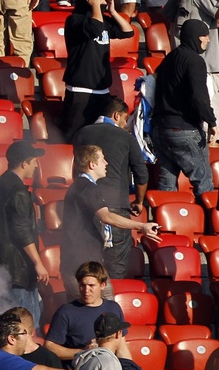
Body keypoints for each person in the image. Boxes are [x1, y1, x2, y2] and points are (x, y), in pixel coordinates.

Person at [70, 98, 149, 278]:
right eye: (125, 119)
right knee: (117, 269)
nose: (125, 124)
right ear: (116, 115)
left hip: (85, 208)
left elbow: (77, 168)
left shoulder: (81, 133)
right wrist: (139, 201)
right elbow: (141, 173)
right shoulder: (126, 138)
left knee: (87, 267)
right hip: (116, 208)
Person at [61, 146, 161, 288]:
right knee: (100, 304)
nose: (106, 163)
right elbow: (106, 217)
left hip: (80, 260)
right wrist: (141, 226)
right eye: (102, 159)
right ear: (92, 164)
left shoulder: (80, 186)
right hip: (82, 263)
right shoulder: (88, 188)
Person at [0, 141, 47, 323]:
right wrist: (38, 263)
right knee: (22, 328)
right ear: (24, 163)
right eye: (34, 161)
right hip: (17, 274)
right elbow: (21, 230)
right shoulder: (19, 192)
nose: (36, 165)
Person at [155, 18, 217, 197]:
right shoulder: (195, 61)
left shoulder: (169, 58)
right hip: (185, 130)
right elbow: (199, 97)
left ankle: (164, 223)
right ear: (196, 38)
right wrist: (211, 122)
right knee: (203, 183)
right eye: (205, 36)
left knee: (166, 185)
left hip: (161, 129)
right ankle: (207, 224)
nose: (208, 40)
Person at [64, 0, 137, 135]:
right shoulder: (75, 20)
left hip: (102, 90)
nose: (102, 0)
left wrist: (112, 11)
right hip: (81, 89)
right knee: (76, 135)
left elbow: (128, 32)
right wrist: (96, 6)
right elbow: (95, 28)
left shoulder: (103, 20)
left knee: (98, 136)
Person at [46, 262, 127, 362]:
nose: (86, 291)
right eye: (82, 285)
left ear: (103, 285)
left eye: (91, 286)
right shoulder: (66, 312)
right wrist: (83, 352)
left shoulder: (114, 308)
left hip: (109, 368)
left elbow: (122, 346)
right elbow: (49, 346)